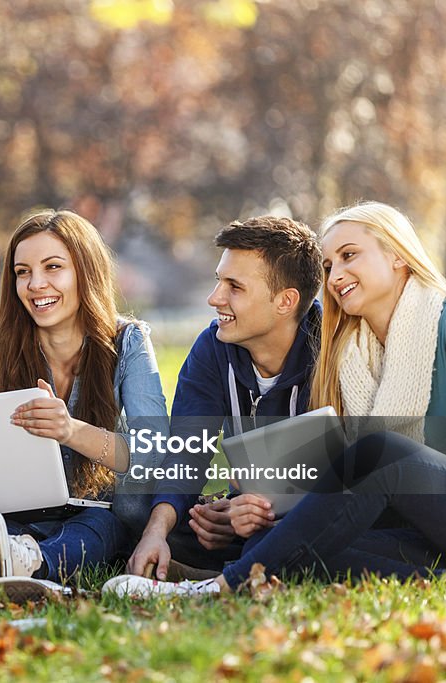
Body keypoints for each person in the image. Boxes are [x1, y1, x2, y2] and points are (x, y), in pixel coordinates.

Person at [105, 201, 446, 597]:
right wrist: (248, 509)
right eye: (328, 265)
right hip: (423, 520)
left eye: (349, 255)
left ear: (398, 255)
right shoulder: (353, 350)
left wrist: (409, 510)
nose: (335, 275)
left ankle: (220, 588)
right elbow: (195, 451)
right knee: (283, 540)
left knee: (377, 454)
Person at [0, 208, 168, 602]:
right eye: (22, 272)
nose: (35, 284)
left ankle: (31, 566)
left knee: (102, 525)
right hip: (19, 514)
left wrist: (70, 431)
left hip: (97, 514)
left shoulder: (127, 343)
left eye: (52, 267)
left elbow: (154, 451)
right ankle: (9, 559)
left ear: (84, 272)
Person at [122, 216, 323, 580]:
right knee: (137, 509)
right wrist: (159, 531)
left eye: (235, 287)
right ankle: (226, 560)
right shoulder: (212, 348)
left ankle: (230, 571)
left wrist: (251, 513)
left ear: (285, 301)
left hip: (322, 513)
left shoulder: (332, 350)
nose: (215, 299)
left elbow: (347, 477)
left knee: (271, 532)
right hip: (249, 511)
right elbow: (186, 451)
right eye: (219, 281)